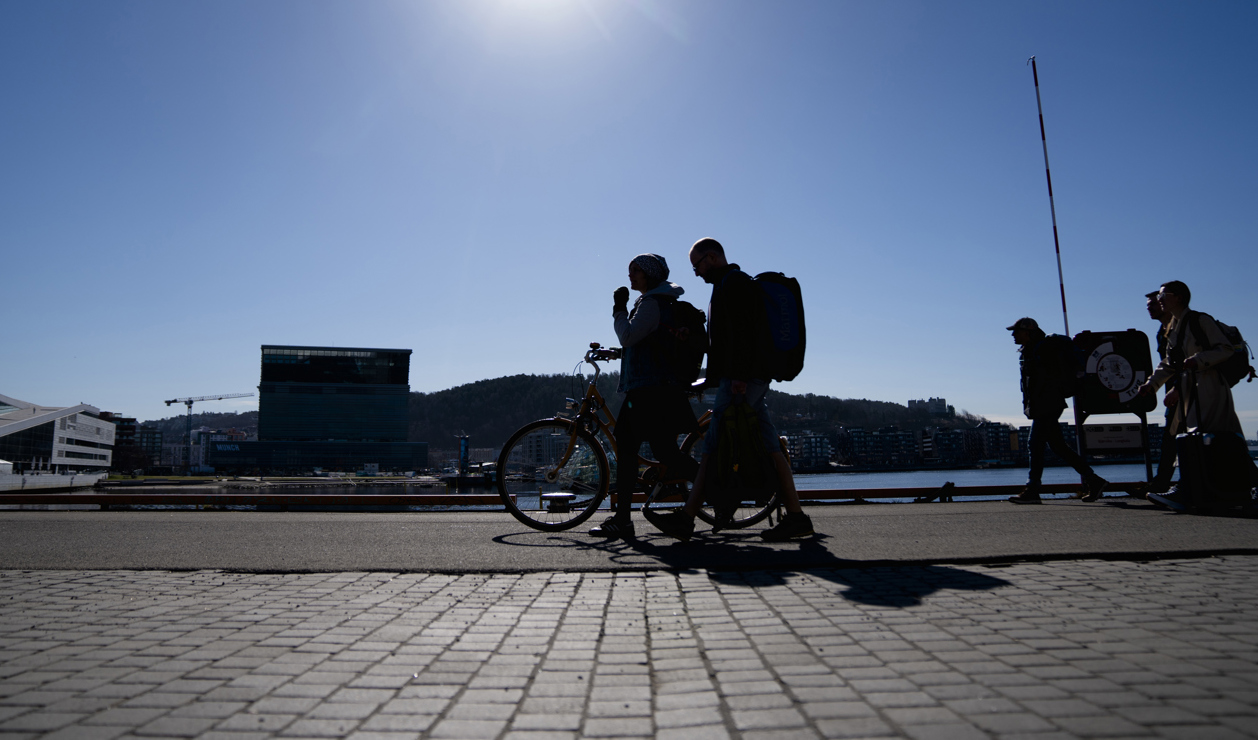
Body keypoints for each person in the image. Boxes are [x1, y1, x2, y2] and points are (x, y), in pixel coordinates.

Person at [652, 238, 814, 541]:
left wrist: (738, 377)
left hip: (743, 380)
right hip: (743, 378)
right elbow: (724, 342)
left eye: (697, 265)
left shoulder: (735, 283)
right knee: (767, 446)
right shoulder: (726, 285)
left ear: (712, 257)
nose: (696, 273)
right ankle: (796, 517)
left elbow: (744, 334)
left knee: (713, 445)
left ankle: (687, 518)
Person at [589, 253, 699, 540]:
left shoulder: (650, 304)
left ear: (650, 274)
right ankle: (714, 487)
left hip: (648, 391)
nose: (630, 275)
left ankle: (623, 520)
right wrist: (619, 354)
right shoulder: (656, 302)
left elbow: (628, 335)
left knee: (626, 450)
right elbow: (646, 342)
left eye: (636, 270)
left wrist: (618, 309)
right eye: (630, 270)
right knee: (666, 453)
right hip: (658, 389)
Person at [1137, 281, 1249, 511]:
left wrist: (1198, 360)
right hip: (1192, 387)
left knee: (1205, 436)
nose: (1159, 300)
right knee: (1209, 438)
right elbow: (1169, 362)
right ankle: (1204, 489)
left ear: (1178, 297)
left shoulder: (1200, 321)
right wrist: (1152, 384)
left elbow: (1225, 348)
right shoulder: (1174, 326)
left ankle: (1187, 489)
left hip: (1209, 385)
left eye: (1163, 295)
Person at [1006, 317, 1108, 504]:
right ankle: (1094, 481)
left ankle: (1032, 490)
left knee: (1035, 445)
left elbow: (1046, 379)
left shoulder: (1044, 349)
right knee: (1058, 446)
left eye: (1016, 331)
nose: (1013, 335)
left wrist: (1042, 401)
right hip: (1046, 404)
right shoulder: (1031, 350)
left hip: (1047, 404)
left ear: (1028, 332)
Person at [1135, 289, 1179, 497]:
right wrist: (1152, 384)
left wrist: (1177, 389)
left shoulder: (1182, 328)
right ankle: (1162, 484)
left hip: (1190, 393)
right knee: (1171, 441)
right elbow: (1167, 364)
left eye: (1154, 304)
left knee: (1172, 440)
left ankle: (1162, 485)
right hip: (1176, 394)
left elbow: (1185, 363)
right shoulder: (1162, 331)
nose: (1149, 309)